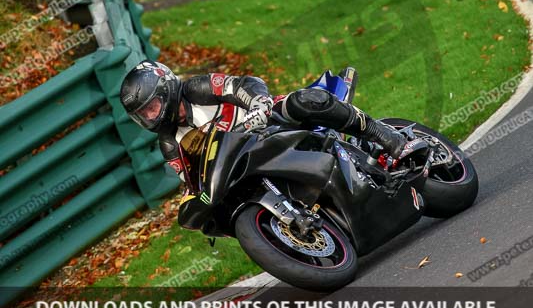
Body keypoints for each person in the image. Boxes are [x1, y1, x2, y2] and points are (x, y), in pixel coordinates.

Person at [119, 61, 407, 178]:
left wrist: (257, 105)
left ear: (166, 90)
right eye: (144, 114)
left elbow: (241, 84)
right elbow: (192, 180)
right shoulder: (170, 145)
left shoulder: (197, 88)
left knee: (303, 100)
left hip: (270, 124)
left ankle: (384, 135)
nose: (151, 116)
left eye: (152, 107)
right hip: (246, 164)